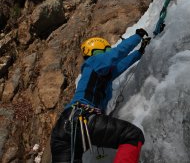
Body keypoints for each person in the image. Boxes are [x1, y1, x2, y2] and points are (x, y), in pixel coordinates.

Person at [51, 28, 151, 163]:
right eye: (105, 51)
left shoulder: (100, 73)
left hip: (62, 130)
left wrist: (139, 52)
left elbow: (121, 65)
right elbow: (116, 54)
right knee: (132, 135)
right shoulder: (95, 61)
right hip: (80, 119)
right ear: (99, 52)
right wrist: (137, 37)